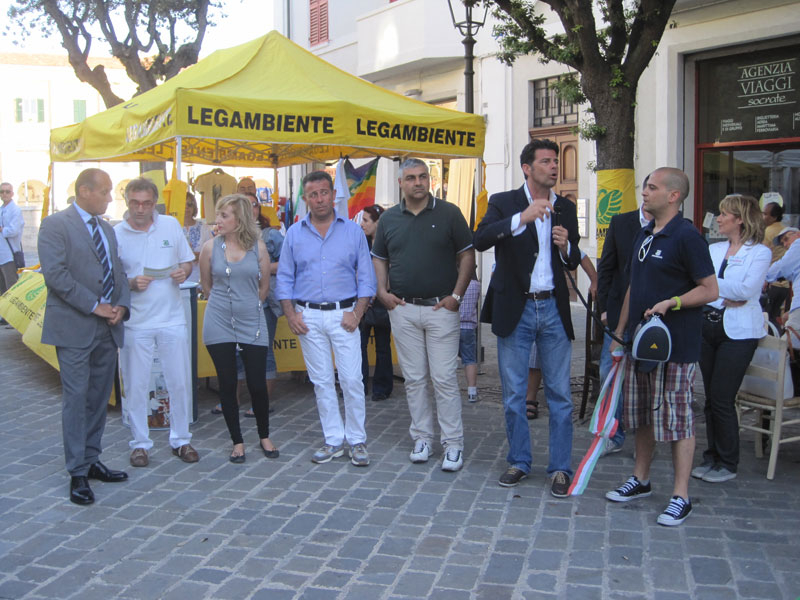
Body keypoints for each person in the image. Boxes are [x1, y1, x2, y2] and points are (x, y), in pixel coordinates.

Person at [606, 167, 717, 527]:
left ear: (673, 196)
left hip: (676, 348)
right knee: (641, 415)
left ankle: (681, 496)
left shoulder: (687, 237)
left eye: (652, 188)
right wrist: (619, 333)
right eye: (645, 187)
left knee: (677, 419)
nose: (644, 192)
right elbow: (633, 287)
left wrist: (673, 302)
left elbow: (710, 290)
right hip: (640, 345)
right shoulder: (644, 234)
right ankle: (640, 479)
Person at [474, 139, 581, 497]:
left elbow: (573, 258)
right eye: (546, 161)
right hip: (516, 309)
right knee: (514, 394)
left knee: (560, 394)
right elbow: (481, 238)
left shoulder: (565, 207)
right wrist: (522, 218)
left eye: (555, 161)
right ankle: (519, 461)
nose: (554, 167)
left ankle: (560, 468)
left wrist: (567, 246)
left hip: (552, 308)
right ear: (527, 168)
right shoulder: (504, 202)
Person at [372, 158, 475, 472]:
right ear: (400, 183)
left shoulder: (449, 213)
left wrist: (457, 296)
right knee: (414, 379)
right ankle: (422, 439)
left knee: (444, 379)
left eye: (422, 177)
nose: (418, 183)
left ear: (429, 180)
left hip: (440, 309)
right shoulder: (388, 219)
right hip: (403, 309)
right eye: (411, 178)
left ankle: (453, 444)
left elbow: (467, 255)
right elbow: (379, 257)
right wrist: (381, 291)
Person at [38, 168, 131, 505]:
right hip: (74, 327)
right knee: (76, 399)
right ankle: (77, 471)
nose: (110, 198)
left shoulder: (106, 228)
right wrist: (96, 306)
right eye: (105, 192)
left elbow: (118, 271)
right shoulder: (55, 225)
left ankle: (92, 459)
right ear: (84, 191)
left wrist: (121, 306)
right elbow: (56, 276)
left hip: (107, 328)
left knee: (98, 398)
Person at [276, 171, 375, 467]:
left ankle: (356, 440)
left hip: (345, 315)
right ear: (306, 199)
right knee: (321, 382)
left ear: (333, 195)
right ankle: (333, 439)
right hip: (308, 317)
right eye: (313, 194)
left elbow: (366, 277)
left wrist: (357, 313)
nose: (319, 199)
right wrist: (291, 314)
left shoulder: (353, 232)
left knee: (352, 379)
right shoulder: (294, 233)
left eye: (323, 193)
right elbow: (284, 278)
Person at [114, 178, 199, 468]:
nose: (140, 209)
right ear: (127, 202)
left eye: (146, 203)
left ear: (155, 203)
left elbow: (187, 260)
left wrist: (183, 272)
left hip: (171, 317)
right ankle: (140, 443)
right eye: (135, 203)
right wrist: (130, 283)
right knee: (136, 384)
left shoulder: (170, 225)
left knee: (179, 381)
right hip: (135, 321)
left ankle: (181, 439)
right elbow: (110, 279)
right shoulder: (117, 233)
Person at [694, 194, 770, 483]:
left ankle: (727, 461)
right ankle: (711, 456)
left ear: (739, 219)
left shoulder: (759, 252)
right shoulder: (714, 249)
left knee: (722, 397)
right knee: (710, 398)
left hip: (738, 333)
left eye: (724, 214)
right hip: (708, 326)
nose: (719, 218)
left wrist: (713, 287)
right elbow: (697, 281)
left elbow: (746, 290)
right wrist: (724, 289)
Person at [199, 193, 278, 463]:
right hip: (219, 320)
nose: (218, 220)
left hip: (251, 320)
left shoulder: (259, 248)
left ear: (239, 218)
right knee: (228, 382)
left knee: (257, 383)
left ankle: (264, 435)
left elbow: (264, 288)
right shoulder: (210, 248)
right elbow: (206, 286)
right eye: (218, 214)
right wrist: (227, 306)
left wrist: (247, 307)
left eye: (224, 215)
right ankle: (237, 441)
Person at [594, 182, 653, 453]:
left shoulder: (674, 226)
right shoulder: (620, 223)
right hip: (619, 313)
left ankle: (647, 437)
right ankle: (612, 434)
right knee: (609, 371)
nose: (647, 193)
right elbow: (605, 268)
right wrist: (604, 308)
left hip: (653, 317)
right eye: (647, 187)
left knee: (647, 378)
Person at [526, 250, 599, 420]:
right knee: (529, 353)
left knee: (543, 353)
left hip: (551, 301)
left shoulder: (555, 240)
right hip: (524, 299)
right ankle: (529, 396)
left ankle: (535, 398)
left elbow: (579, 255)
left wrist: (595, 280)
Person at [359, 205, 393, 402]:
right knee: (359, 345)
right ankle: (360, 384)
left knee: (382, 346)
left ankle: (382, 387)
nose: (362, 224)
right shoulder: (360, 243)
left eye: (366, 220)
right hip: (362, 302)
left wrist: (377, 293)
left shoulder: (388, 244)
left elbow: (390, 273)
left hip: (381, 301)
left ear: (377, 223)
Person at [766, 226, 800, 345]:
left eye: (786, 239)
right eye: (782, 243)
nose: (785, 245)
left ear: (797, 234)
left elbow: (783, 267)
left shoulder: (798, 244)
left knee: (787, 345)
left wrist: (764, 277)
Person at [762, 202, 790, 328]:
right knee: (776, 317)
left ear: (774, 217)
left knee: (768, 318)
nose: (763, 217)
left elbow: (764, 257)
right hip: (785, 283)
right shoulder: (785, 230)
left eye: (765, 214)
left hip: (771, 282)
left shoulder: (768, 232)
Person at [459, 271, 481, 403]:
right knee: (470, 360)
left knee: (447, 360)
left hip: (452, 326)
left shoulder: (454, 283)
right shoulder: (476, 285)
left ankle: (449, 391)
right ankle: (472, 393)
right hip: (468, 327)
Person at [0, 181, 24, 298]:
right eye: (2, 191)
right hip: (1, 254)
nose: (4, 194)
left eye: (7, 191)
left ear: (12, 194)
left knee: (12, 288)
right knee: (2, 288)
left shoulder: (15, 210)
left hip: (9, 255)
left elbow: (14, 230)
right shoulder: (1, 209)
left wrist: (2, 229)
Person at [182, 192, 212, 283]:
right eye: (183, 204)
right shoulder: (172, 228)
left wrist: (199, 256)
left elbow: (213, 253)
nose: (186, 207)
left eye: (189, 204)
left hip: (200, 278)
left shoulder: (204, 228)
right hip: (179, 280)